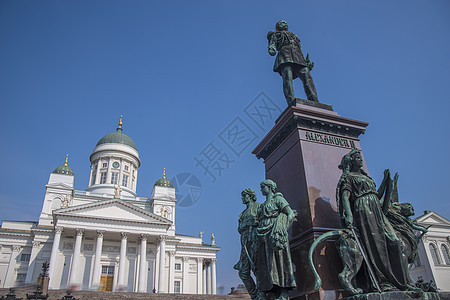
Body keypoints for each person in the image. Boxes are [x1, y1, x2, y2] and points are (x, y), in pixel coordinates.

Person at [336, 149, 421, 293]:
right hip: (363, 210)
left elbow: (377, 194)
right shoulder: (349, 178)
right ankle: (383, 280)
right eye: (357, 158)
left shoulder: (367, 178)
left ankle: (401, 280)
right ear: (351, 161)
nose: (361, 160)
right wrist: (349, 215)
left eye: (360, 157)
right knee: (374, 245)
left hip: (376, 210)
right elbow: (345, 197)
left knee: (394, 240)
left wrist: (386, 181)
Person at [255, 180, 297, 300]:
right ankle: (269, 291)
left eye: (263, 187)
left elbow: (290, 214)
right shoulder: (262, 205)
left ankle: (284, 292)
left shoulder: (278, 200)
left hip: (275, 235)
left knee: (280, 263)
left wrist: (282, 230)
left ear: (270, 187)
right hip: (263, 236)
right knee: (265, 264)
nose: (261, 189)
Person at [267, 20, 318, 105]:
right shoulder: (276, 35)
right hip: (285, 55)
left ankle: (314, 100)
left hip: (297, 56)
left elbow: (300, 49)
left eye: (285, 23)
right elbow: (272, 45)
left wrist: (306, 62)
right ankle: (291, 101)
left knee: (307, 75)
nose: (285, 24)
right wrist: (271, 49)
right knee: (287, 79)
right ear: (278, 26)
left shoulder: (294, 36)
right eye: (282, 23)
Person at [234, 188, 261, 300]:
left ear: (250, 196)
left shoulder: (258, 207)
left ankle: (262, 293)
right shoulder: (242, 214)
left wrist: (253, 223)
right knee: (243, 272)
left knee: (258, 268)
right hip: (245, 243)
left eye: (244, 196)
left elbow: (263, 221)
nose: (242, 198)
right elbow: (239, 228)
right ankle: (254, 294)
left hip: (256, 240)